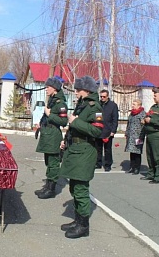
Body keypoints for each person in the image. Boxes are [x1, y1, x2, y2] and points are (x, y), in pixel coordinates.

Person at [59, 76, 104, 239]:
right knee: (74, 187)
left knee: (80, 189)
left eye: (78, 90)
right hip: (75, 149)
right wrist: (65, 141)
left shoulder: (94, 107)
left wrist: (75, 122)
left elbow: (98, 131)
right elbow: (73, 128)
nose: (76, 92)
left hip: (84, 152)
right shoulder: (82, 105)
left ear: (88, 91)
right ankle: (77, 220)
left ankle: (84, 226)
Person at [34, 77, 68, 199]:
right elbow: (47, 116)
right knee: (48, 162)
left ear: (54, 88)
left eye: (48, 87)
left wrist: (49, 115)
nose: (46, 89)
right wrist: (41, 124)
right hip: (47, 134)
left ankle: (51, 190)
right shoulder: (52, 100)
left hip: (53, 136)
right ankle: (47, 186)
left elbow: (64, 121)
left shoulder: (60, 103)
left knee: (53, 163)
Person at [95, 89, 118, 172]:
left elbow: (115, 119)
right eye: (101, 96)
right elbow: (97, 117)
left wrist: (113, 131)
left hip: (108, 131)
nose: (102, 98)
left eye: (104, 97)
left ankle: (108, 165)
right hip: (99, 130)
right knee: (98, 148)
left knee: (108, 149)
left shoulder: (113, 105)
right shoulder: (98, 104)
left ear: (107, 96)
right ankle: (98, 163)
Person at [124, 99, 146, 175]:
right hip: (131, 136)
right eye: (132, 104)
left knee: (137, 152)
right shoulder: (132, 114)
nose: (132, 105)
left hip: (138, 136)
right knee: (131, 151)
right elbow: (128, 124)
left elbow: (144, 125)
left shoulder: (142, 114)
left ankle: (137, 168)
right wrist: (126, 133)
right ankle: (132, 167)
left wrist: (141, 135)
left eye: (134, 104)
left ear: (139, 105)